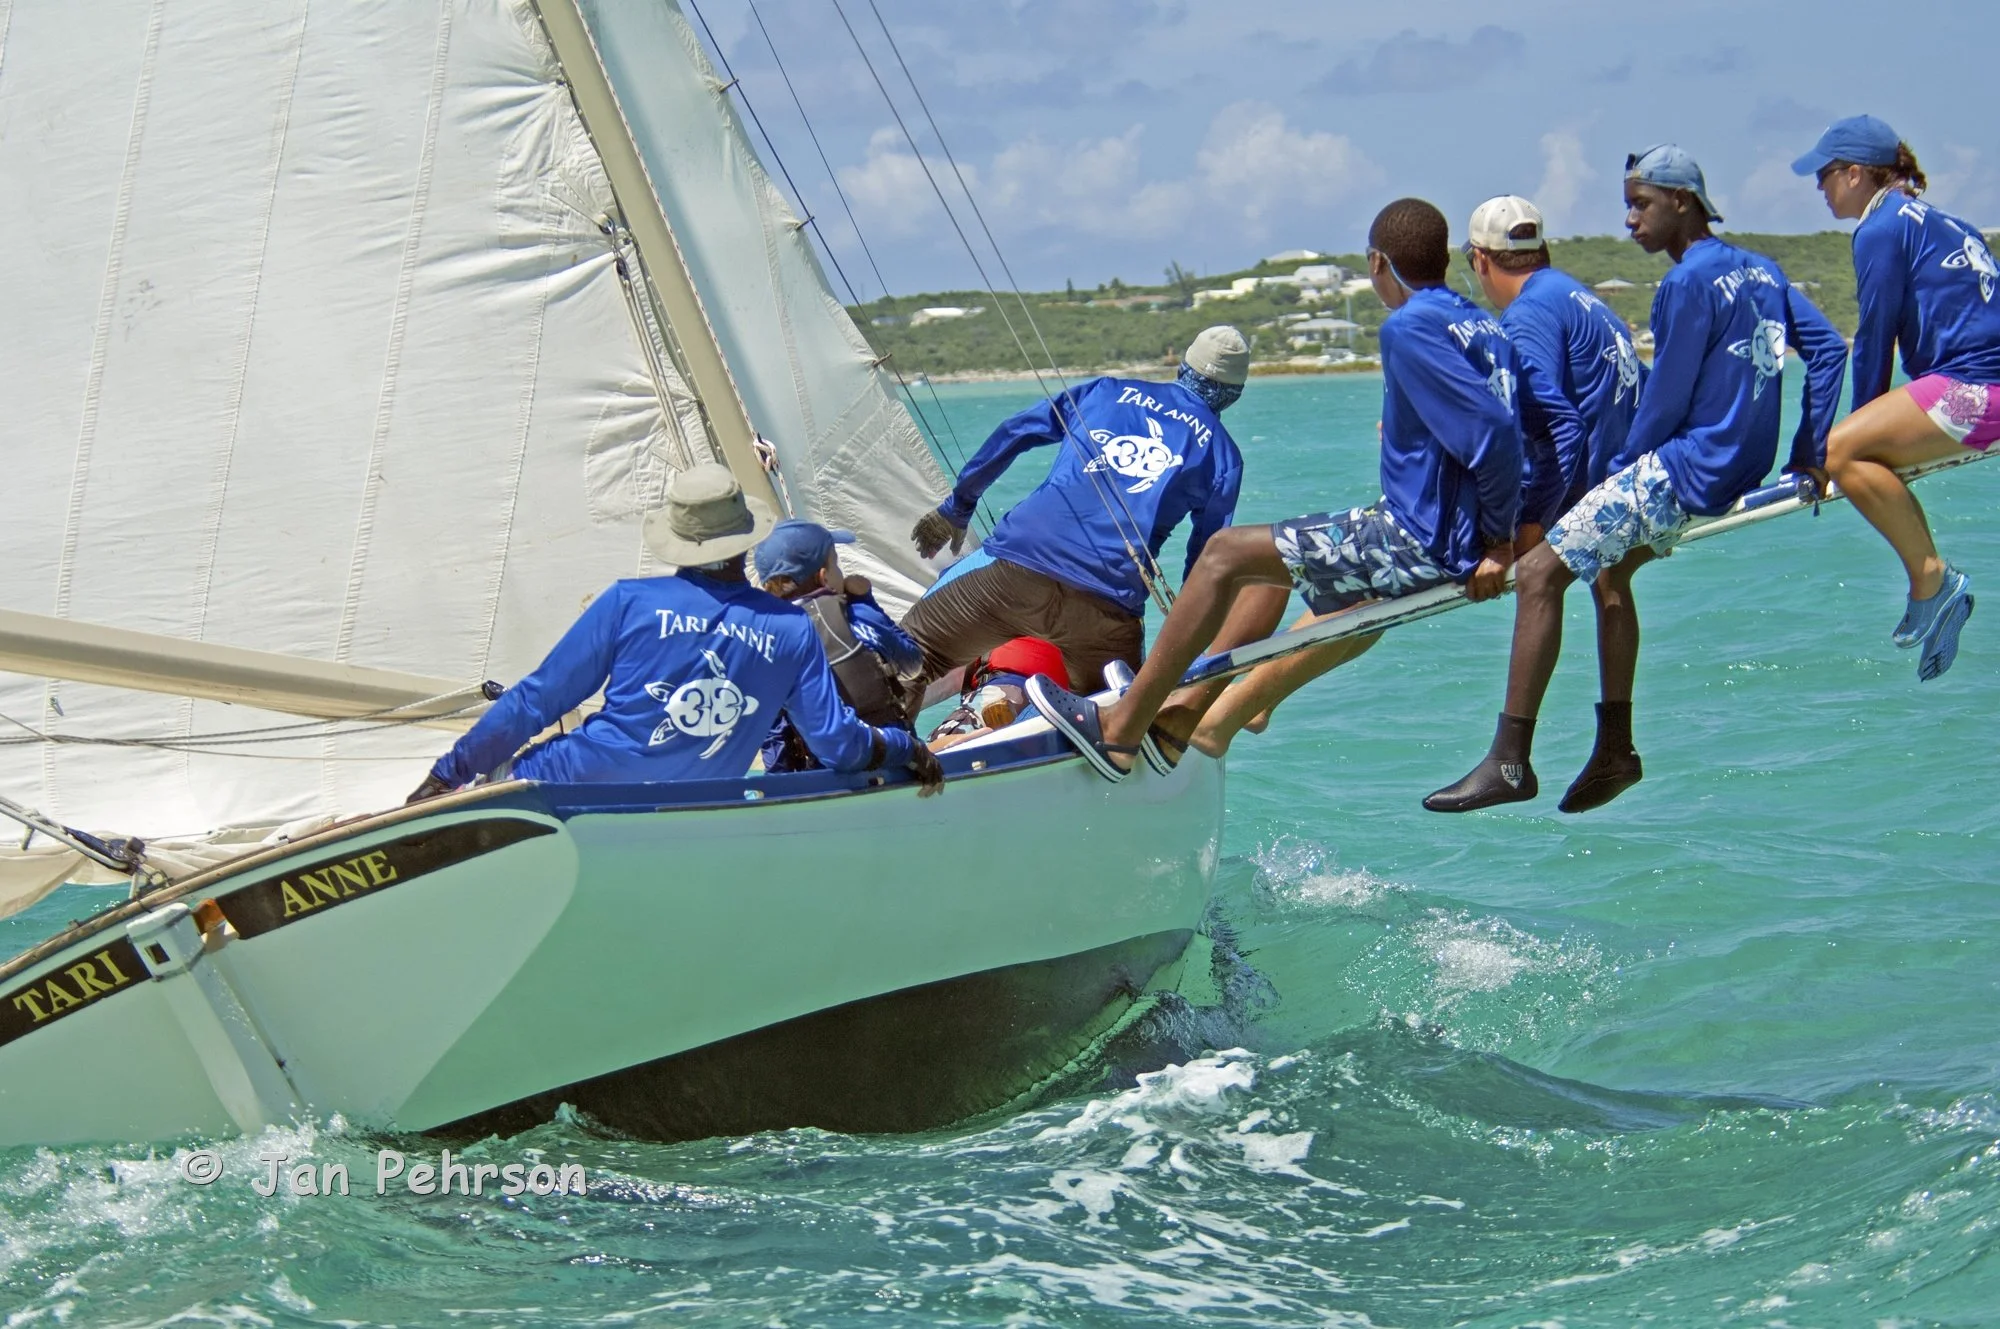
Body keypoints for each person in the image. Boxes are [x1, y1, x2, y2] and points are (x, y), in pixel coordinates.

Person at [1026, 198, 1524, 781]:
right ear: (1442, 259)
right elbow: (1514, 423)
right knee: (1275, 567)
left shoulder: (1409, 326)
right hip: (1441, 528)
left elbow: (1493, 433)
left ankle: (1124, 726)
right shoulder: (1480, 323)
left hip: (1423, 536)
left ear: (1376, 264)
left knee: (1223, 554)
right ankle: (1191, 710)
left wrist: (1496, 541)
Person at [1425, 145, 1848, 814]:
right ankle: (1614, 750)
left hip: (1686, 467)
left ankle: (1509, 761)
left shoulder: (1683, 284)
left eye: (1640, 203)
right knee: (1608, 573)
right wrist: (1808, 450)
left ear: (1682, 201)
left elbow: (1666, 402)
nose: (1629, 220)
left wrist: (1616, 480)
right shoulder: (1760, 270)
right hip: (1740, 463)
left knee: (1537, 574)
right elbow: (1828, 351)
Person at [407, 464, 943, 800]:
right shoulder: (789, 628)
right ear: (743, 540)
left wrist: (445, 775)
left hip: (559, 785)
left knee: (509, 761)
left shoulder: (628, 601)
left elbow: (536, 701)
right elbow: (840, 746)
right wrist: (906, 749)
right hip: (696, 807)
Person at [899, 327, 1249, 704]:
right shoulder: (1224, 456)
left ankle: (875, 752)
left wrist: (958, 508)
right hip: (1105, 610)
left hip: (1016, 572)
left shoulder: (1106, 391)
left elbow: (1016, 432)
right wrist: (1186, 653)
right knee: (1118, 718)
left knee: (902, 661)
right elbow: (1206, 562)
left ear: (1183, 367)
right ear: (1235, 394)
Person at [1794, 116, 2000, 680]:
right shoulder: (1951, 223)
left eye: (1826, 173)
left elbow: (1875, 336)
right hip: (1984, 388)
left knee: (1841, 452)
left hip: (1977, 391)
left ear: (1856, 174)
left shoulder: (1880, 227)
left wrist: (1858, 430)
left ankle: (1932, 578)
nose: (1819, 186)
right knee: (1859, 448)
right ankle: (1932, 580)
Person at [752, 519, 923, 772]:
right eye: (837, 565)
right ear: (825, 579)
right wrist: (866, 601)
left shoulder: (766, 642)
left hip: (822, 775)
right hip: (891, 762)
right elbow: (913, 664)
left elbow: (774, 735)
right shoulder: (858, 615)